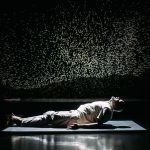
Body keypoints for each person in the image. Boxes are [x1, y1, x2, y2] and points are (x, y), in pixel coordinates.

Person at [7, 96, 125, 129]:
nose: (118, 97)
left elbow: (99, 124)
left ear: (117, 105)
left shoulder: (107, 110)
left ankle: (20, 121)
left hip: (76, 117)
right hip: (75, 114)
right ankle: (21, 120)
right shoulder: (107, 106)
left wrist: (79, 126)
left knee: (49, 116)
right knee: (49, 116)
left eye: (119, 100)